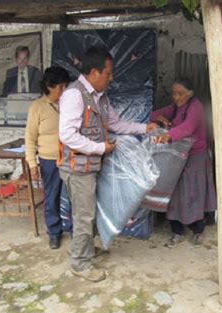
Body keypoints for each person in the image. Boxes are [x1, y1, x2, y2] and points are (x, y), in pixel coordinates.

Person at [58, 46, 158, 282]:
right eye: (108, 73)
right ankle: (80, 263)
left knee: (91, 213)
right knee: (84, 216)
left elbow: (117, 124)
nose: (111, 78)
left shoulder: (101, 98)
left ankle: (86, 251)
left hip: (93, 167)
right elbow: (67, 135)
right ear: (94, 72)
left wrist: (145, 128)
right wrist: (101, 148)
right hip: (78, 168)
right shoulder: (74, 95)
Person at [151, 78, 217, 248]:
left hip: (195, 156)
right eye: (174, 94)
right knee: (174, 194)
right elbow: (154, 114)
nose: (176, 97)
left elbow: (188, 127)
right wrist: (160, 118)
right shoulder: (175, 108)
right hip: (178, 156)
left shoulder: (196, 107)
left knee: (195, 193)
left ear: (190, 94)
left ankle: (198, 231)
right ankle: (176, 231)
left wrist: (169, 135)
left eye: (180, 94)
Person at [25, 66, 71, 249]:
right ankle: (54, 232)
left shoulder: (69, 104)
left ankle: (77, 230)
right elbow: (30, 138)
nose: (64, 90)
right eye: (61, 86)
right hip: (48, 160)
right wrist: (32, 164)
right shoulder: (37, 107)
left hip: (70, 158)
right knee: (52, 197)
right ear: (50, 86)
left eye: (66, 86)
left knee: (75, 196)